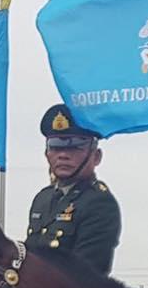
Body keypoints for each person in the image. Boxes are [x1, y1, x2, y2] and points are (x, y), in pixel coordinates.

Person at [27, 104, 121, 278]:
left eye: (74, 147)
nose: (63, 155)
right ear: (46, 153)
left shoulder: (99, 203)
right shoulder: (43, 198)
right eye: (55, 147)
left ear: (96, 156)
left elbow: (84, 276)